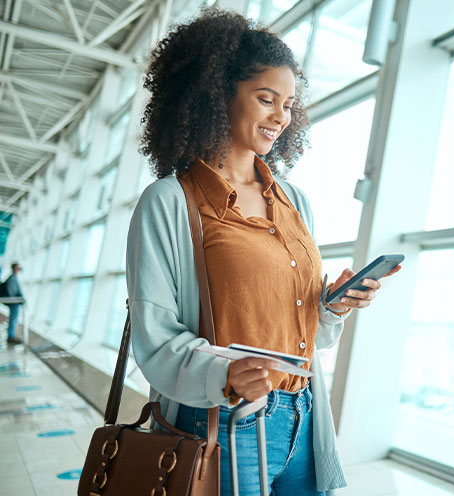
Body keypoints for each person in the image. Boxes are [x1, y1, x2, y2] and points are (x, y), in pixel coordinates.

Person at [126, 9, 400, 496]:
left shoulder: (294, 201)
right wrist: (224, 372)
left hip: (303, 412)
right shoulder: (170, 202)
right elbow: (155, 334)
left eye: (289, 104)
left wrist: (331, 305)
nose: (281, 117)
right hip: (224, 419)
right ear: (218, 96)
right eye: (266, 99)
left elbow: (301, 327)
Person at [2, 262, 23, 346]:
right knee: (13, 320)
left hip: (14, 302)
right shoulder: (12, 278)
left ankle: (11, 336)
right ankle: (11, 337)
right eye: (19, 267)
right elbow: (12, 292)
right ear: (15, 268)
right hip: (14, 303)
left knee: (13, 319)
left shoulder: (13, 278)